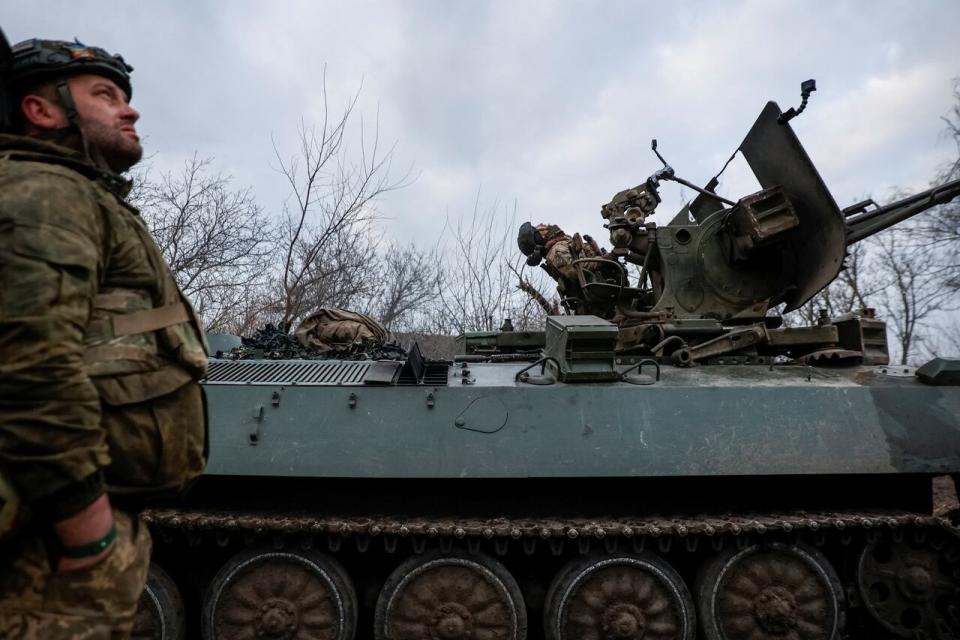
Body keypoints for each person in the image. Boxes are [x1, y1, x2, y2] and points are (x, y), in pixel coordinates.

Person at [0, 34, 208, 638]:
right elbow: (28, 362)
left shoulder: (78, 195)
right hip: (52, 536)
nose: (131, 108)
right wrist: (86, 527)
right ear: (41, 110)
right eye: (105, 94)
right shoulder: (43, 192)